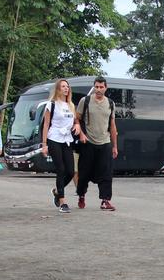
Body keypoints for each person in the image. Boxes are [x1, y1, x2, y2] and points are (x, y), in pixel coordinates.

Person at [75, 77, 119, 210]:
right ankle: (81, 195)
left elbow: (112, 126)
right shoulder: (85, 101)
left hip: (105, 142)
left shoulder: (110, 103)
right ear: (94, 87)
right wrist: (81, 133)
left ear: (106, 88)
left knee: (106, 173)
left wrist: (115, 146)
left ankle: (105, 200)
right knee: (84, 173)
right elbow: (77, 118)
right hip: (88, 142)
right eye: (96, 87)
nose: (99, 89)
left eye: (101, 87)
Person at [41, 78, 82, 214]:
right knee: (61, 169)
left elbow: (76, 120)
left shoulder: (70, 105)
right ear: (58, 89)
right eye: (63, 86)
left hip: (67, 140)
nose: (66, 88)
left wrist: (77, 125)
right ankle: (62, 202)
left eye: (67, 86)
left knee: (71, 171)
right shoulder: (51, 104)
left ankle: (57, 191)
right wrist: (44, 144)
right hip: (54, 138)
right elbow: (46, 124)